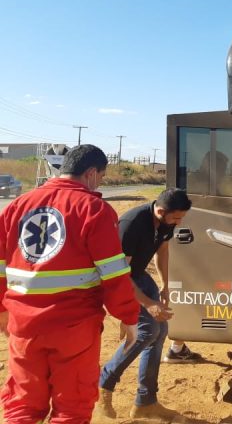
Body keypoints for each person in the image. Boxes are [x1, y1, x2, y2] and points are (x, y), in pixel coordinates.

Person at [0, 144, 139, 423]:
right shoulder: (94, 209)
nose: (98, 183)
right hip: (74, 327)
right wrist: (128, 317)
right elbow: (114, 273)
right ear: (90, 173)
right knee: (72, 408)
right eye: (100, 176)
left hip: (23, 326)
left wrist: (3, 311)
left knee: (22, 405)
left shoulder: (16, 207)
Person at [96, 188, 193, 421]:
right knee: (147, 331)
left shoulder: (166, 221)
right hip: (115, 278)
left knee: (160, 332)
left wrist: (165, 284)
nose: (179, 223)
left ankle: (146, 402)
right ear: (160, 211)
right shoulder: (132, 225)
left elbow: (163, 250)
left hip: (137, 274)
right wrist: (149, 303)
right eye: (177, 218)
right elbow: (118, 275)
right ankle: (104, 385)